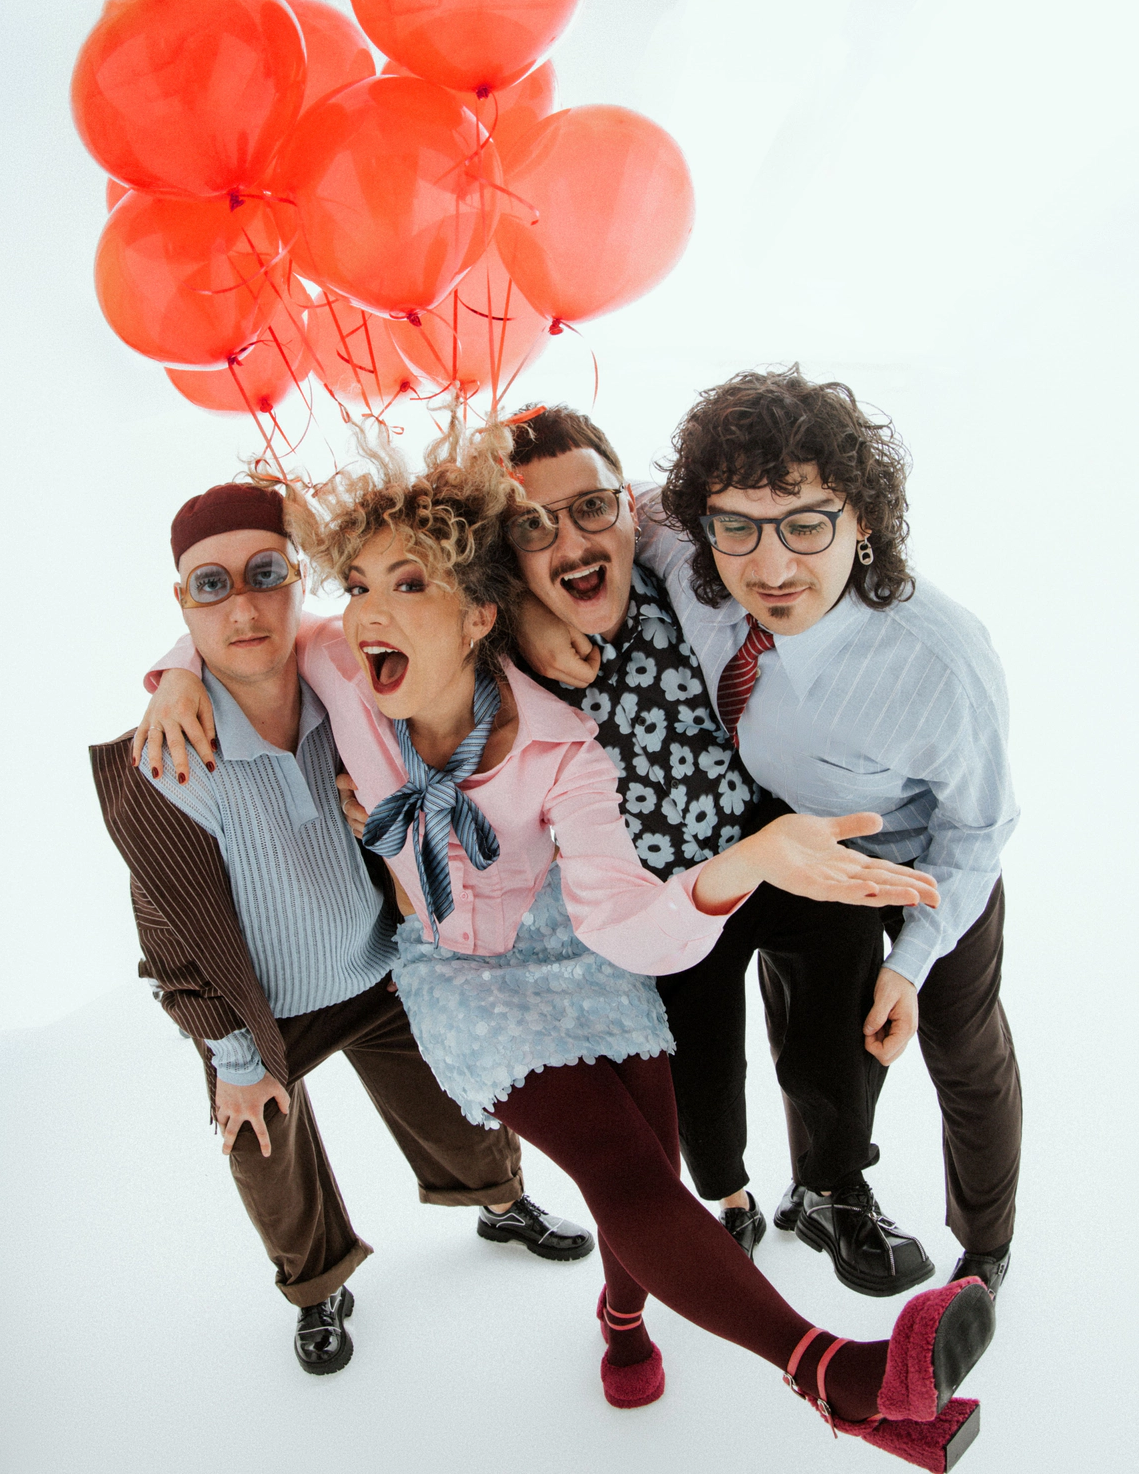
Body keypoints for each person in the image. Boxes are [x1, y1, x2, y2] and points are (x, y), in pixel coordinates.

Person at [137, 425, 993, 1468]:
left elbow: (625, 922)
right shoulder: (341, 664)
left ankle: (625, 1321)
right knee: (621, 1171)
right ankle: (839, 1376)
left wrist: (745, 863)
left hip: (580, 944)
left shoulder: (562, 747)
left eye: (407, 584)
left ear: (479, 613)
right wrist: (172, 672)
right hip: (461, 974)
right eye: (356, 586)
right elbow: (245, 627)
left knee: (655, 1161)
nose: (364, 612)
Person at [92, 481, 593, 1379]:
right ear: (182, 603)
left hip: (375, 968)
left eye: (265, 575)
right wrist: (235, 1057)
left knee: (458, 1097)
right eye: (211, 586)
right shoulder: (172, 756)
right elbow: (170, 938)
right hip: (259, 1016)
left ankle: (499, 1200)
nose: (242, 607)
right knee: (263, 1153)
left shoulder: (346, 688)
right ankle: (316, 1287)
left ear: (297, 581)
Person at [502, 403, 934, 1294]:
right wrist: (513, 604)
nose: (572, 541)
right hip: (665, 901)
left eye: (592, 508)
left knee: (845, 961)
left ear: (629, 507)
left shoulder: (677, 560)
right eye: (533, 526)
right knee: (699, 1069)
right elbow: (382, 618)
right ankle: (729, 1195)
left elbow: (699, 503)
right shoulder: (500, 642)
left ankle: (834, 1184)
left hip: (766, 837)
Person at [640, 366, 1021, 1301]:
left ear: (863, 520)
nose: (770, 567)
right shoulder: (687, 556)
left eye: (806, 525)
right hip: (796, 846)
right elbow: (581, 501)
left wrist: (913, 961)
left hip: (926, 866)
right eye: (737, 526)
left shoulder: (940, 659)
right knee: (807, 1032)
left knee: (961, 1050)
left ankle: (986, 1247)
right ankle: (821, 1190)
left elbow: (979, 829)